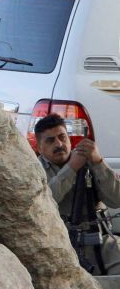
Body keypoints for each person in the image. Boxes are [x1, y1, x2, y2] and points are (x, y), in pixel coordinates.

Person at [35, 114, 120, 275]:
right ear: (39, 147)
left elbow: (117, 199)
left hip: (99, 238)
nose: (59, 144)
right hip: (60, 244)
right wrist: (72, 168)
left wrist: (98, 162)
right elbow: (44, 202)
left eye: (62, 137)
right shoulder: (35, 169)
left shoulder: (88, 160)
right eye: (50, 140)